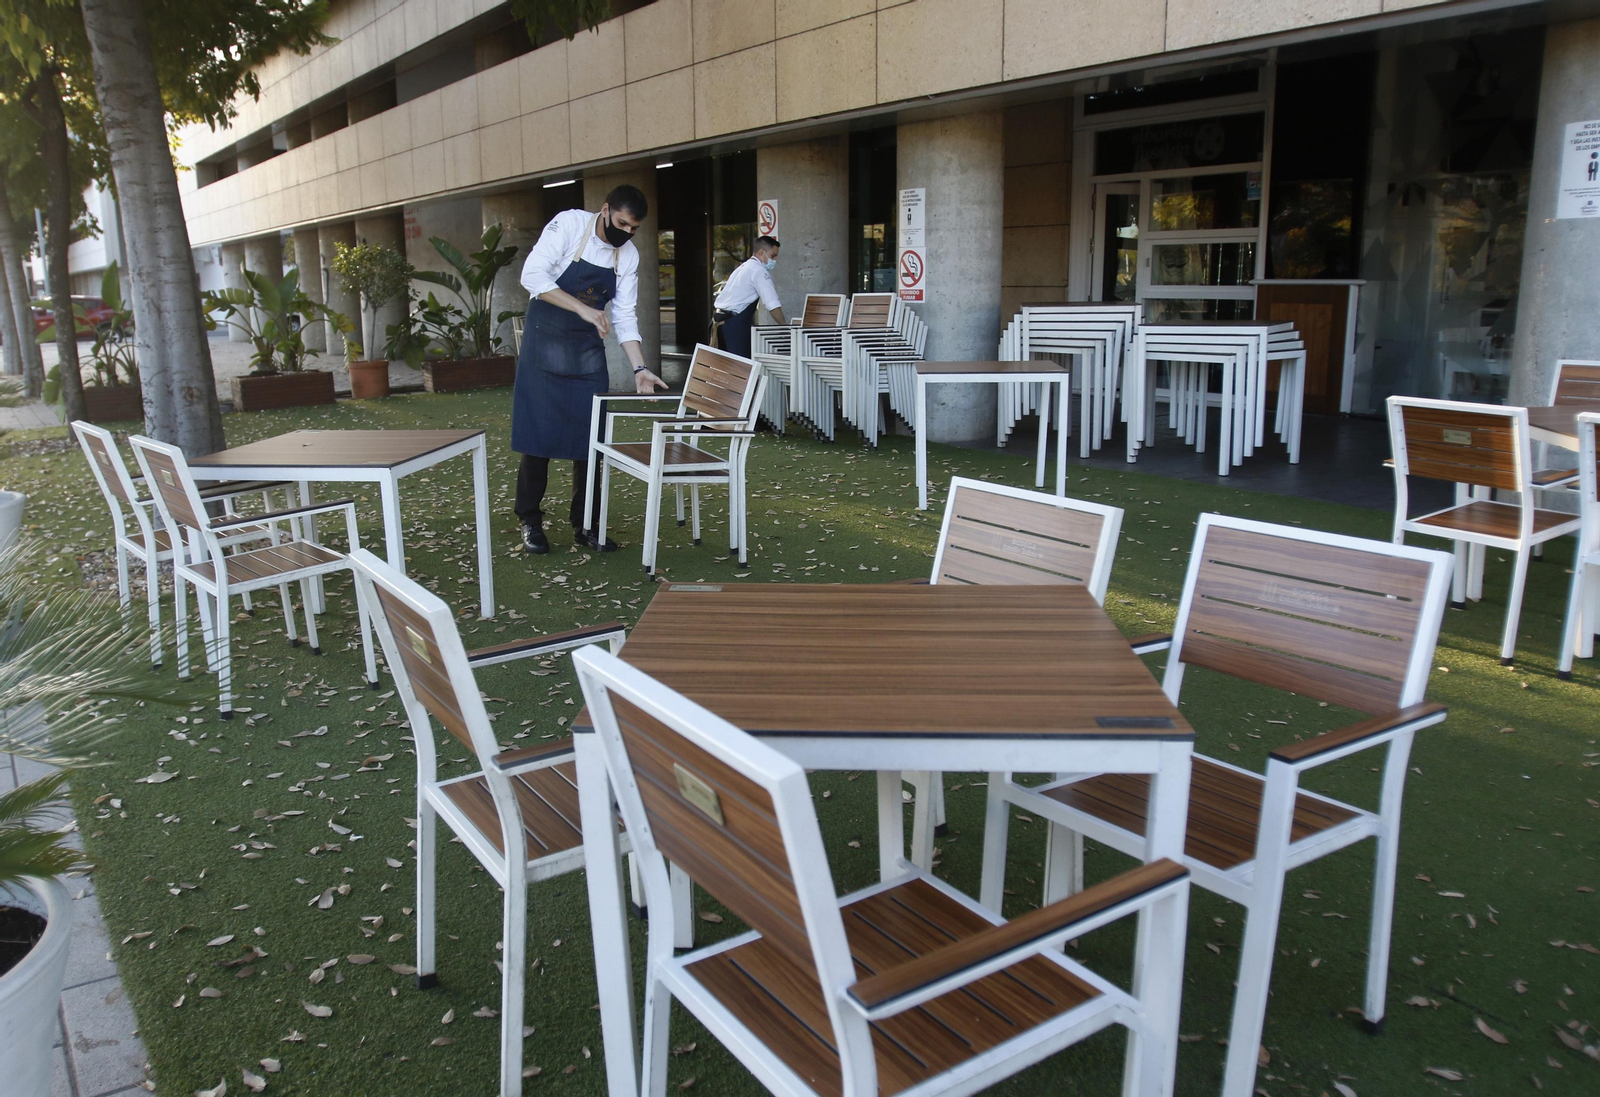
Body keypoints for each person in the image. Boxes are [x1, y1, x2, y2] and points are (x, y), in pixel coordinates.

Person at [512, 185, 668, 555]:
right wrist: (581, 308)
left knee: (591, 440)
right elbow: (531, 276)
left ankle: (587, 525)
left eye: (634, 229)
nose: (626, 234)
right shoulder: (569, 225)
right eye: (621, 224)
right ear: (604, 210)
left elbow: (625, 315)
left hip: (585, 349)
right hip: (544, 338)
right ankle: (530, 520)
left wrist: (640, 368)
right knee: (539, 438)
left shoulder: (627, 256)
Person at [712, 235, 785, 358]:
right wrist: (786, 327)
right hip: (735, 326)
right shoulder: (759, 271)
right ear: (762, 252)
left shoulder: (742, 268)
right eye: (773, 256)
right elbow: (772, 304)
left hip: (719, 323)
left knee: (724, 368)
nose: (775, 260)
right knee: (742, 370)